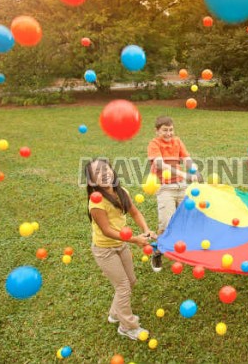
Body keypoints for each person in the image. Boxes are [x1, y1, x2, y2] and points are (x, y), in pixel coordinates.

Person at [85, 158, 156, 340]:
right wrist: (135, 240)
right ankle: (128, 326)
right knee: (123, 286)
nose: (104, 173)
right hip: (104, 250)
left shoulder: (121, 192)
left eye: (106, 169)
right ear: (92, 181)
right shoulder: (96, 203)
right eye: (97, 173)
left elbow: (135, 213)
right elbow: (107, 231)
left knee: (130, 281)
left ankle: (115, 314)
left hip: (121, 245)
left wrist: (146, 231)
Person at [147, 116, 198, 272]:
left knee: (186, 220)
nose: (168, 133)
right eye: (164, 130)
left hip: (181, 186)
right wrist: (183, 174)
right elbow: (160, 164)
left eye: (170, 130)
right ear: (157, 131)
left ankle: (183, 252)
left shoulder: (177, 141)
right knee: (166, 223)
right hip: (164, 187)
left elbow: (186, 158)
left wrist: (193, 169)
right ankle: (157, 252)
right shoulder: (154, 144)